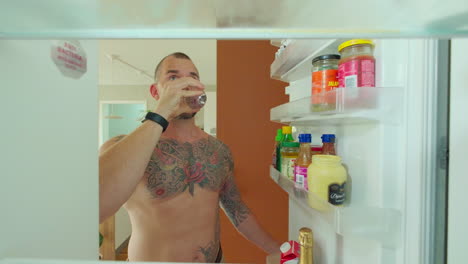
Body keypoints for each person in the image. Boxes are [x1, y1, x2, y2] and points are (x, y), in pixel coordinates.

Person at [99, 52, 280, 262]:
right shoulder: (122, 148)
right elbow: (96, 207)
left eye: (192, 77)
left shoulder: (219, 151)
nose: (186, 84)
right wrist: (163, 112)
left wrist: (276, 249)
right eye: (174, 78)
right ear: (155, 91)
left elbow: (236, 207)